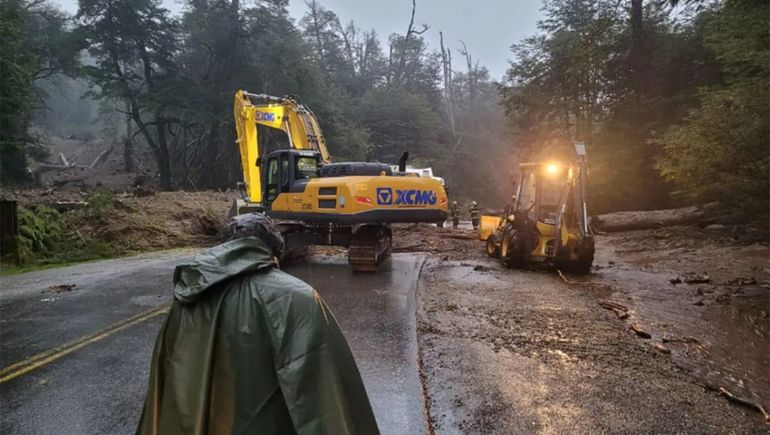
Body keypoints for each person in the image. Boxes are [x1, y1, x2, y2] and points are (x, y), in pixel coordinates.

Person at [136, 214, 379, 435]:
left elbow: (165, 383)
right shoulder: (296, 298)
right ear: (274, 249)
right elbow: (325, 399)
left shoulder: (188, 295)